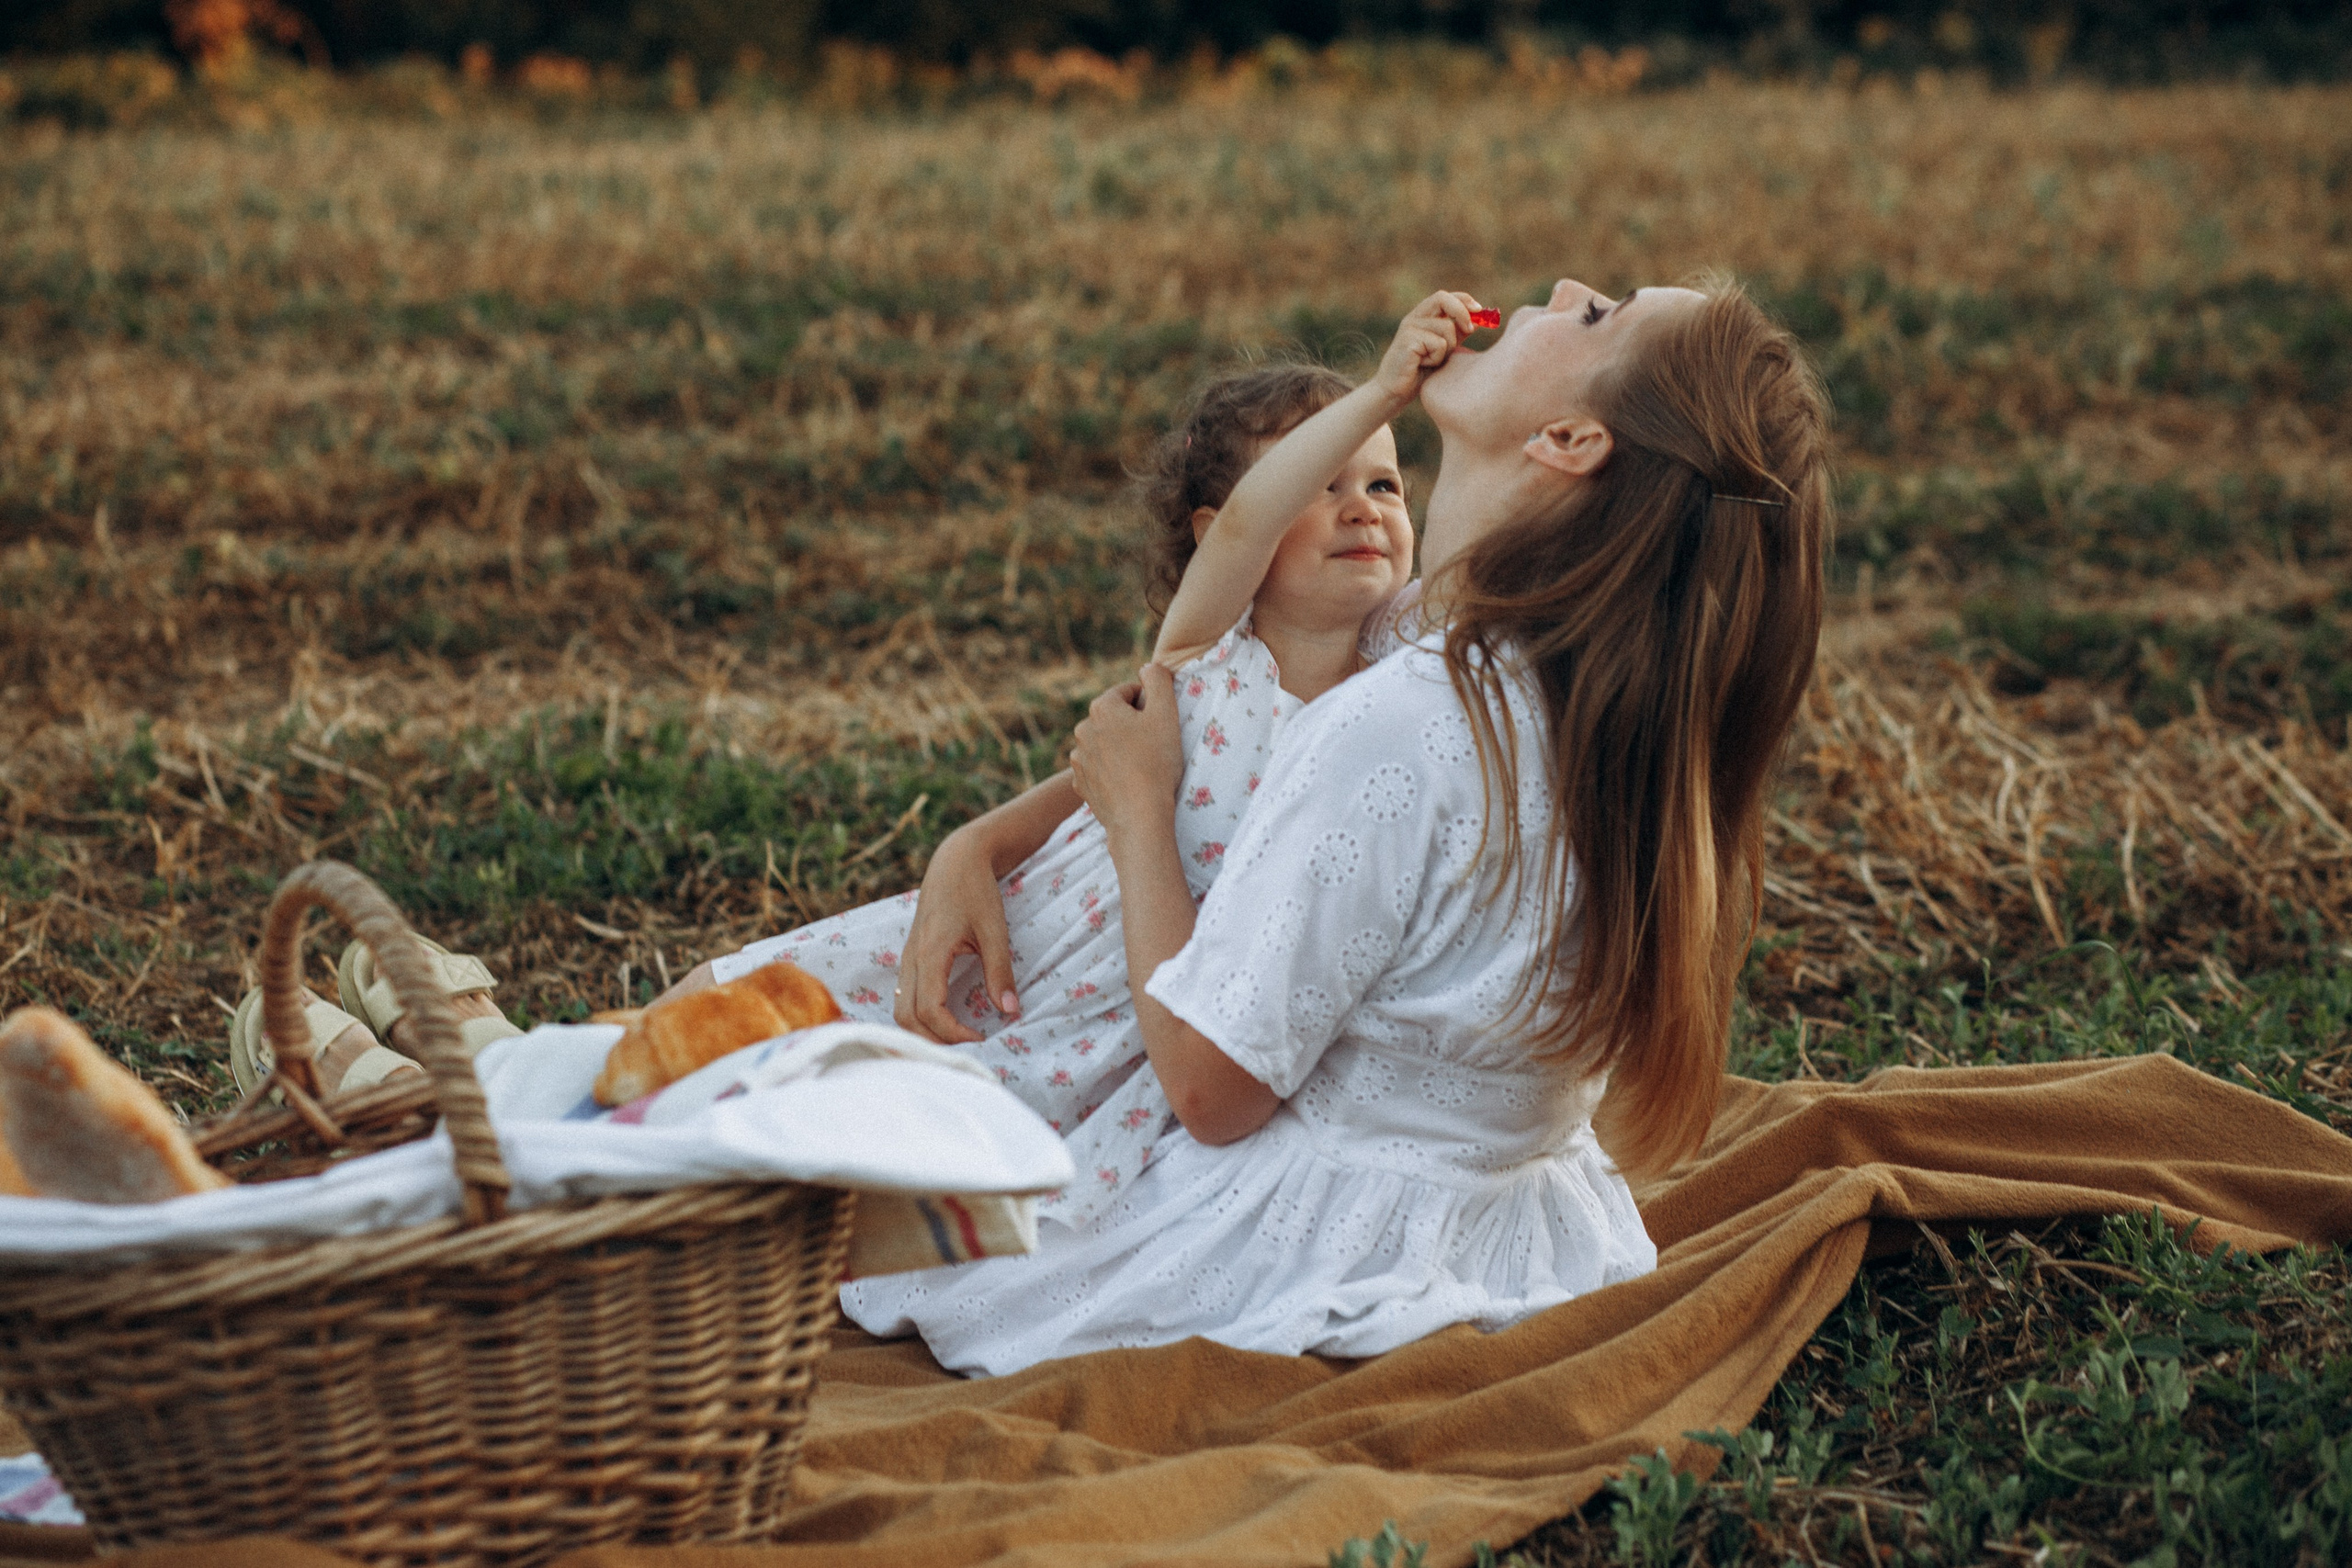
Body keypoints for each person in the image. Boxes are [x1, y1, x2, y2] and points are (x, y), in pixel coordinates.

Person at [847, 275, 1830, 1374]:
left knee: (849, 1161)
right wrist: (980, 839)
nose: (1565, 286)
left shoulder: (1398, 720)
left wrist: (1134, 818)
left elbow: (1211, 1093)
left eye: (1598, 315)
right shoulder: (1594, 694)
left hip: (1314, 1245)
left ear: (1566, 439)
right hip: (1522, 1239)